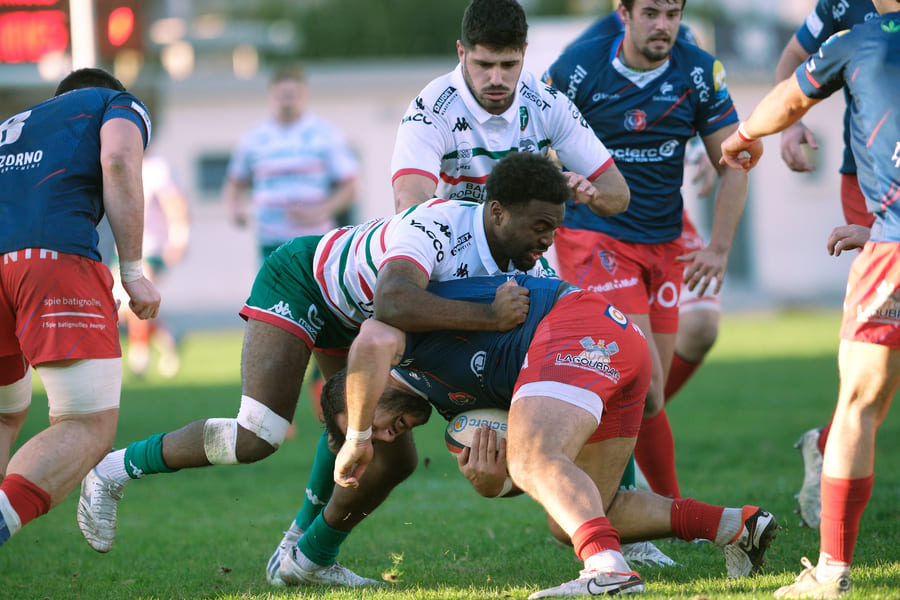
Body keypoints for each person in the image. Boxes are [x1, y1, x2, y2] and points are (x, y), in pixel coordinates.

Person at [75, 152, 586, 570]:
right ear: (498, 213)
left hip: (367, 326)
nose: (547, 241)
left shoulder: (529, 268)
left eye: (554, 229)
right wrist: (490, 319)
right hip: (307, 284)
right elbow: (393, 302)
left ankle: (306, 556)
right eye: (540, 226)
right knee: (259, 435)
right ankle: (113, 470)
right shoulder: (439, 224)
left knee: (395, 458)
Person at [326, 274, 778, 597]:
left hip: (578, 327)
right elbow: (543, 466)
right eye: (379, 435)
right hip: (612, 343)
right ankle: (735, 526)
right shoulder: (449, 403)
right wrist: (495, 484)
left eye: (370, 418)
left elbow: (371, 339)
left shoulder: (400, 342)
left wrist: (358, 436)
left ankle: (607, 570)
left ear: (360, 386)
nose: (384, 434)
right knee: (578, 515)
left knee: (535, 457)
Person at [719, 3, 900, 595]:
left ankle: (832, 574)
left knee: (859, 403)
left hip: (893, 248)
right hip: (885, 231)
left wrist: (742, 137)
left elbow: (789, 96)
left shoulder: (860, 36)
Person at [544, 0, 748, 501]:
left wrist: (720, 247)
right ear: (624, 13)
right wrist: (560, 178)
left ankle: (640, 508)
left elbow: (736, 161)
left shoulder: (698, 72)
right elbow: (532, 140)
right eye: (651, 12)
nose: (663, 25)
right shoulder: (578, 68)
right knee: (642, 381)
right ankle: (667, 514)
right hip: (596, 237)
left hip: (663, 239)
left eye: (673, 14)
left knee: (650, 396)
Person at [0, 68, 159, 547]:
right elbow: (118, 159)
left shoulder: (14, 124)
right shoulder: (116, 102)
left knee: (6, 412)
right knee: (86, 423)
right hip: (53, 260)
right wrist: (132, 270)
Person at [773, 0, 878, 530]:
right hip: (870, 184)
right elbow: (793, 56)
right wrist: (789, 126)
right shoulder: (844, 5)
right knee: (880, 352)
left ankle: (828, 442)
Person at [390, 0, 629, 217]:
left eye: (508, 65)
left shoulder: (548, 104)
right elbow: (408, 205)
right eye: (484, 64)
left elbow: (618, 195)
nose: (496, 78)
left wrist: (590, 193)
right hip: (455, 246)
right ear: (461, 52)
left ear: (524, 52)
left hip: (521, 252)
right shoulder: (432, 108)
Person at [119, 154, 190, 379]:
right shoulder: (119, 167)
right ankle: (169, 336)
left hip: (151, 247)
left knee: (135, 299)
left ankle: (139, 360)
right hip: (124, 248)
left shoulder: (156, 168)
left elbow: (175, 202)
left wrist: (179, 239)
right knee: (121, 308)